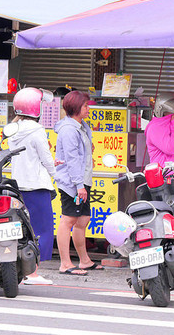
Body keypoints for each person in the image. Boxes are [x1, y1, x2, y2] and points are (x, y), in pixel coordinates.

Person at [9, 87, 57, 285]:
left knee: (22, 229)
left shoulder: (12, 130)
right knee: (43, 230)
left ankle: (21, 269)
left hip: (19, 186)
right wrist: (57, 176)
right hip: (37, 186)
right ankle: (33, 272)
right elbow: (46, 160)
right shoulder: (37, 131)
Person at [54, 90, 103, 275]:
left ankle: (84, 260)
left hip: (82, 180)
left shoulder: (81, 126)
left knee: (83, 219)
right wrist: (79, 185)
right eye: (85, 106)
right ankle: (65, 263)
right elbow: (72, 159)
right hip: (72, 183)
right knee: (68, 220)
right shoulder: (69, 130)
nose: (88, 109)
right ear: (76, 108)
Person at [144, 91, 174, 166]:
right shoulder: (154, 128)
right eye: (172, 112)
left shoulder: (171, 124)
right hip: (164, 173)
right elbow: (171, 149)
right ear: (162, 112)